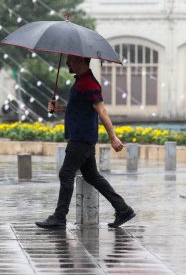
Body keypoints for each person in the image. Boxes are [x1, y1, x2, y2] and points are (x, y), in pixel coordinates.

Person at [36, 54, 135, 229]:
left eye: (70, 60)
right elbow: (78, 107)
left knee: (66, 174)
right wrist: (58, 108)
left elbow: (102, 111)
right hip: (83, 137)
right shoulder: (82, 81)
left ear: (81, 61)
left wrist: (113, 138)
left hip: (81, 139)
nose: (67, 63)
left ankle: (59, 217)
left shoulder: (89, 83)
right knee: (92, 176)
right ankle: (123, 209)